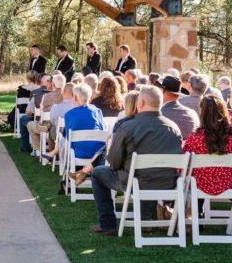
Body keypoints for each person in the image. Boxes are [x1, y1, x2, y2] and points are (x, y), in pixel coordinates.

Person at [90, 86, 183, 235]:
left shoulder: (128, 127)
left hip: (136, 182)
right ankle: (146, 220)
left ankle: (107, 224)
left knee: (97, 173)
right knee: (147, 174)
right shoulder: (174, 128)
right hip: (167, 182)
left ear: (141, 103)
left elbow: (113, 162)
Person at [183, 96, 232, 196]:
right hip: (225, 184)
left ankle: (197, 210)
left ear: (202, 113)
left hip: (198, 184)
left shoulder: (194, 138)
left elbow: (184, 163)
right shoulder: (231, 138)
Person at [62, 83, 106, 185]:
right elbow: (103, 132)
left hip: (79, 152)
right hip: (97, 153)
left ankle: (77, 174)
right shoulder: (97, 112)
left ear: (76, 98)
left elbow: (69, 139)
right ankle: (84, 173)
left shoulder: (69, 114)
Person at [157, 75, 199, 140]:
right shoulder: (192, 113)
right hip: (190, 149)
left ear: (162, 91)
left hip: (171, 148)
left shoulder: (159, 114)